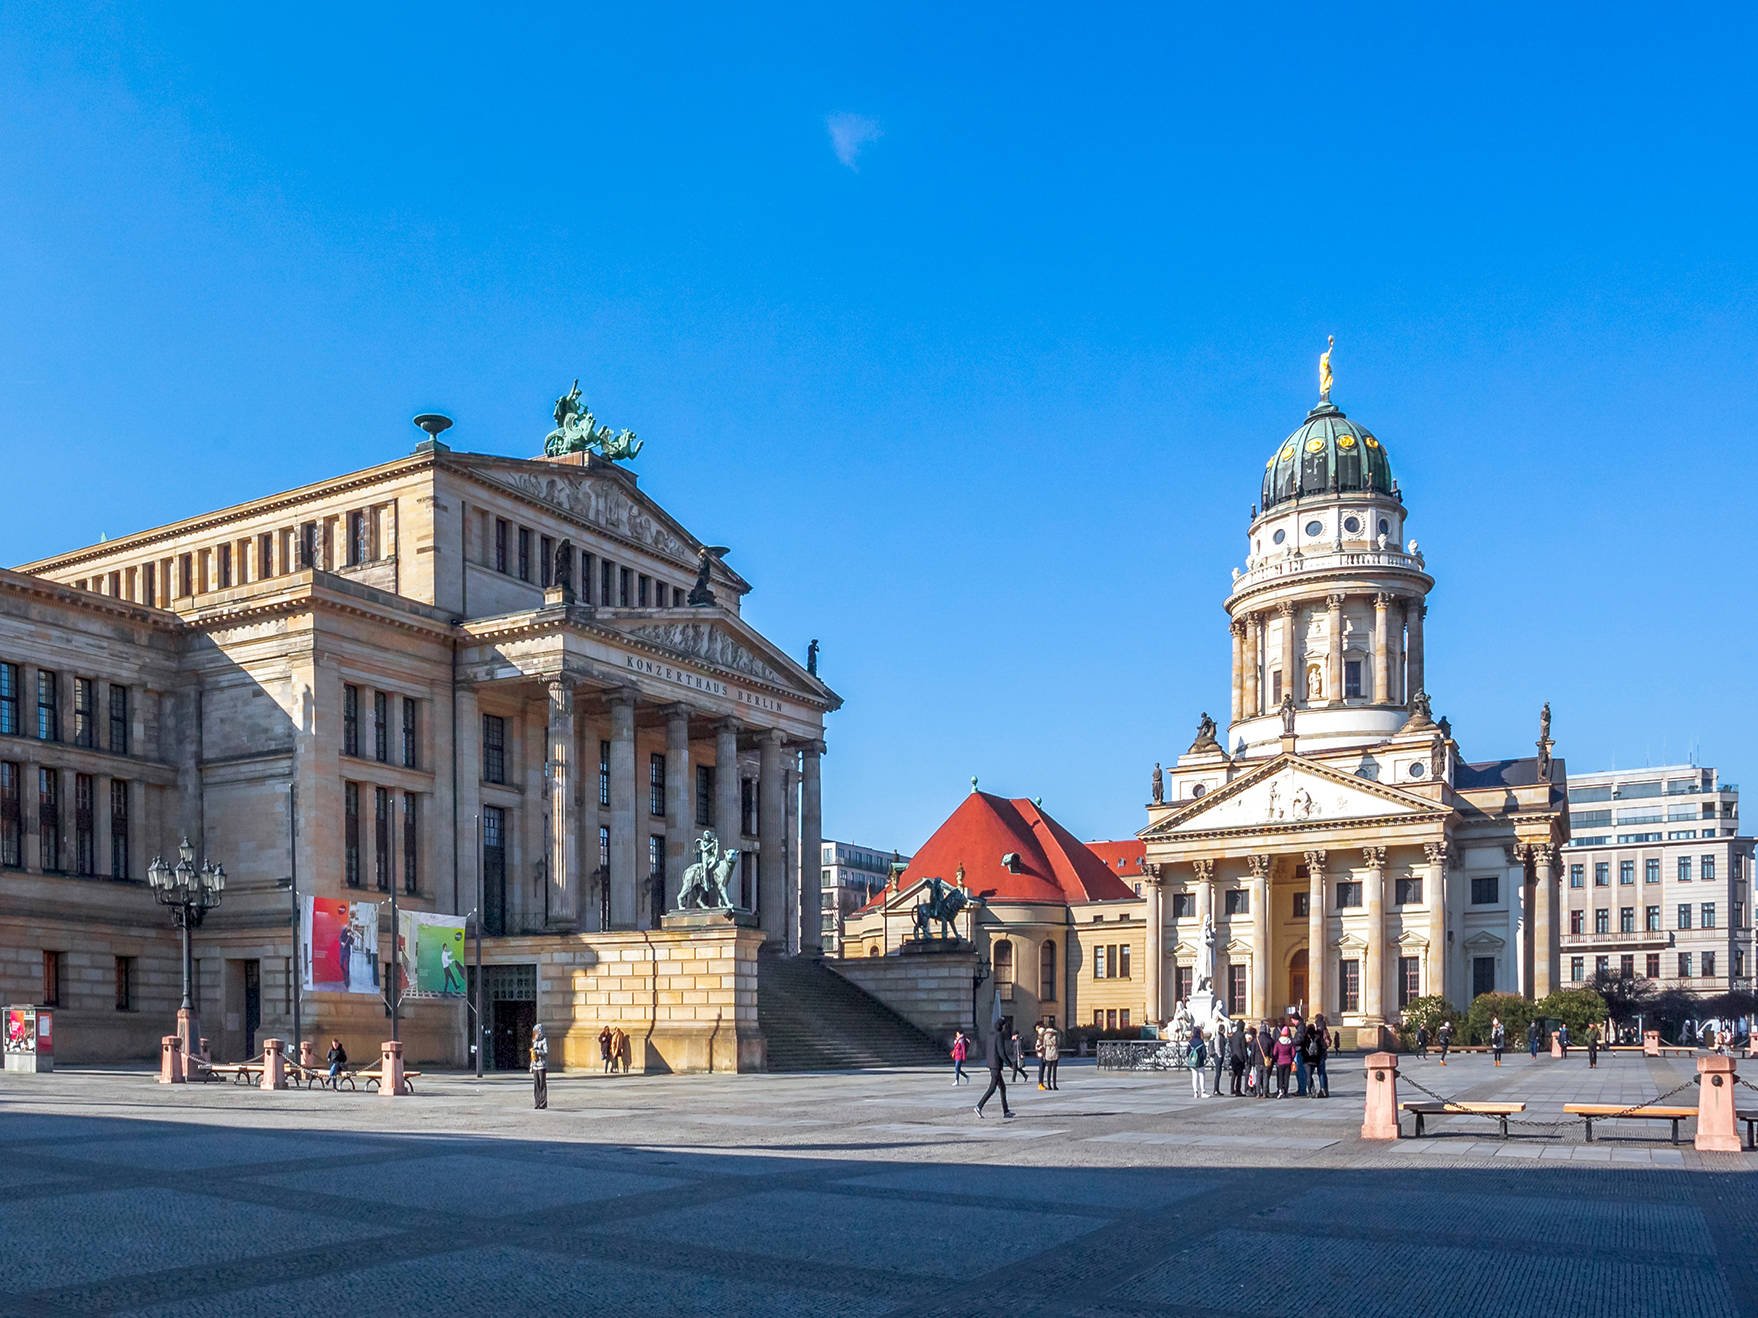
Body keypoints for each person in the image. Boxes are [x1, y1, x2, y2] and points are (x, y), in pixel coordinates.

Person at [974, 1025, 1015, 1119]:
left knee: (1003, 1088)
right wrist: (1010, 1064)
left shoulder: (990, 1035)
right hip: (996, 1065)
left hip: (991, 1064)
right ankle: (979, 1106)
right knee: (992, 1088)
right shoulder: (999, 1035)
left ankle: (1006, 1111)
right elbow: (1001, 1052)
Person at [1308, 1013, 1330, 1097]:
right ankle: (1324, 1090)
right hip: (1322, 1053)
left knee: (1309, 1072)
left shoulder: (1315, 1028)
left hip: (1315, 1053)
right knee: (1322, 1072)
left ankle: (1312, 1090)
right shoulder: (1325, 1028)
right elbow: (1328, 1041)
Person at [1272, 1024, 1296, 1097]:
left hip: (1280, 1062)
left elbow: (1274, 1053)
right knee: (1286, 1077)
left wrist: (1276, 1059)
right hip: (1288, 1062)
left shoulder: (1278, 1043)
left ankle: (1280, 1090)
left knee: (1280, 1077)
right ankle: (1285, 1091)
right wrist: (1291, 1058)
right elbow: (1293, 1052)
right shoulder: (1290, 1042)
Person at [530, 1024, 549, 1110]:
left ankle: (543, 1103)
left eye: (537, 1031)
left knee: (542, 1084)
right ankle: (537, 1102)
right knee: (536, 1084)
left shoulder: (544, 1040)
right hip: (535, 1065)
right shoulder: (534, 1040)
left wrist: (538, 1051)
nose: (536, 1033)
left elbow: (546, 1052)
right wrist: (531, 1065)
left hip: (541, 1065)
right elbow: (532, 1054)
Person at [1228, 1020, 1248, 1096]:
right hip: (1240, 1058)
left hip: (1234, 1056)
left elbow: (1231, 1045)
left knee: (1234, 1073)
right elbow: (1243, 1048)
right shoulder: (1242, 1035)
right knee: (1239, 1075)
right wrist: (1246, 1059)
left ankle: (1232, 1089)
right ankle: (1238, 1090)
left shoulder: (1233, 1035)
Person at [1187, 1027, 1209, 1098]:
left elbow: (1187, 1053)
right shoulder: (1201, 1041)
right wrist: (1204, 1058)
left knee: (1194, 1076)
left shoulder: (1190, 1042)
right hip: (1200, 1061)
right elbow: (1204, 1053)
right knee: (1201, 1075)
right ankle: (1203, 1091)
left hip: (1193, 1062)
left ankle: (1195, 1092)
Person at [1042, 1021, 1061, 1090]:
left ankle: (1049, 1085)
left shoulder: (1045, 1035)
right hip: (1054, 1051)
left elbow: (1044, 1045)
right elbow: (1058, 1043)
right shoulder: (1055, 1034)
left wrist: (1044, 1053)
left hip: (1048, 1052)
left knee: (1049, 1070)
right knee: (1054, 1070)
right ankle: (1054, 1085)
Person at [1210, 1021, 1227, 1097]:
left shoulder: (1221, 1036)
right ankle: (1215, 1090)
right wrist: (1220, 1055)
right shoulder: (1218, 1036)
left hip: (1219, 1056)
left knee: (1219, 1074)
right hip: (1218, 1057)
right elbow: (1217, 1047)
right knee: (1217, 1074)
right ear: (1222, 1030)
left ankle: (1217, 1089)